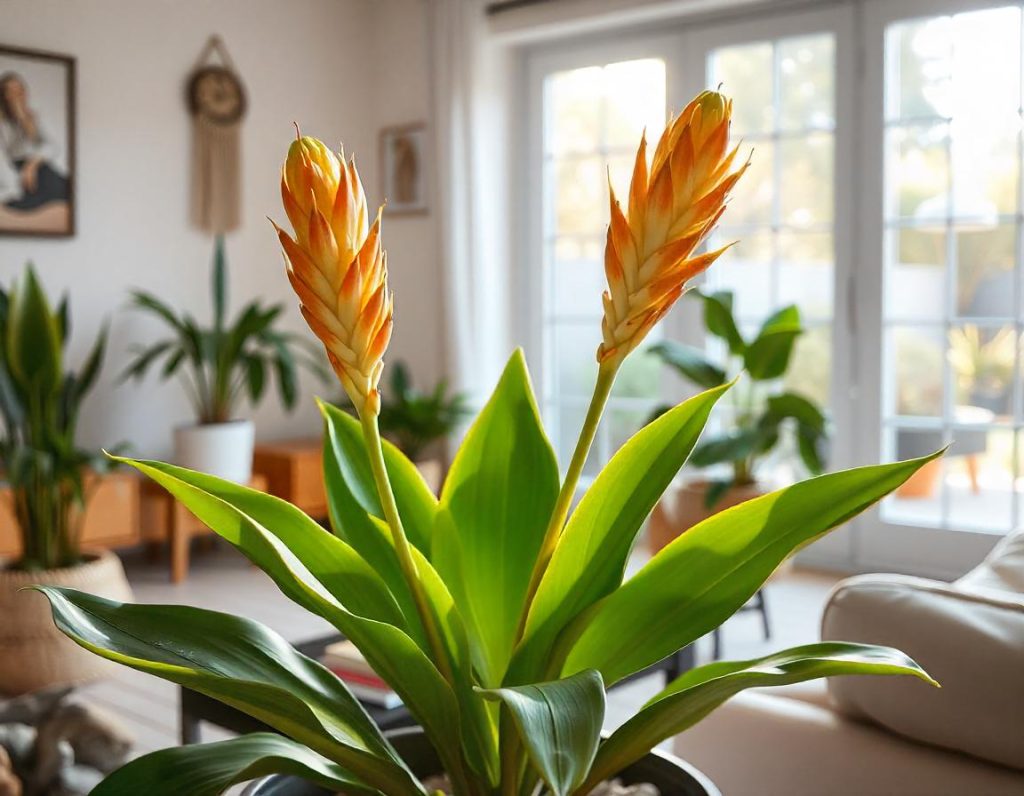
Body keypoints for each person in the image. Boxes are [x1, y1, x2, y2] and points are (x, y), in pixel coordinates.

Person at [0, 72, 69, 211]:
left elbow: (52, 146)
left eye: (20, 90)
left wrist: (32, 164)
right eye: (11, 91)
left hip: (37, 167)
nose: (17, 95)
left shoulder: (34, 116)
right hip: (14, 172)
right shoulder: (2, 122)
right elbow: (7, 155)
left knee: (68, 187)